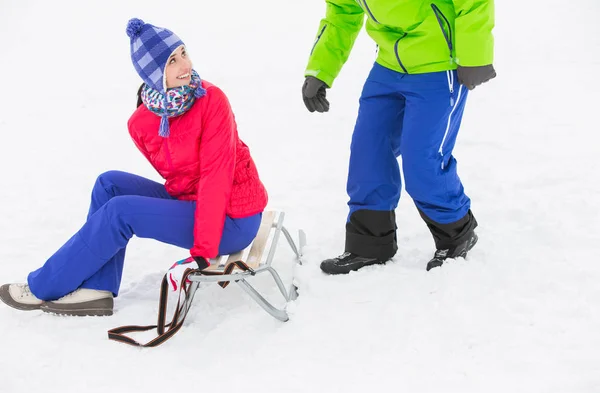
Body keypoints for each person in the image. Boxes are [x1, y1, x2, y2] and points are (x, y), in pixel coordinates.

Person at [0, 18, 268, 316]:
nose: (185, 65)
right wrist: (155, 116)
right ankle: (97, 288)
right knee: (109, 184)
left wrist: (203, 251)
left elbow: (215, 177)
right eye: (172, 61)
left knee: (121, 212)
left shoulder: (212, 99)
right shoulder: (143, 121)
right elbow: (180, 174)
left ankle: (42, 288)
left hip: (232, 220)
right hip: (196, 202)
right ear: (153, 73)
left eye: (183, 53)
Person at [302, 0, 496, 274]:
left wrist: (475, 55)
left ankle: (457, 234)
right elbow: (343, 12)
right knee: (368, 151)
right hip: (389, 65)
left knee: (422, 159)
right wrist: (319, 70)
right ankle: (369, 243)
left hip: (439, 65)